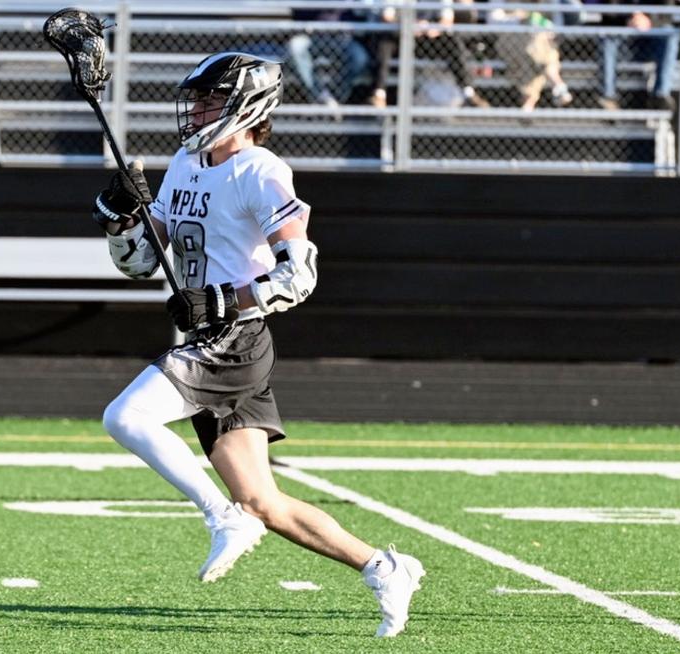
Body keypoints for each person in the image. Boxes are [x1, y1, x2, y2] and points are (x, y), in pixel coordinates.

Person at [91, 52, 424, 638]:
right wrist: (118, 221)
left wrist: (221, 301)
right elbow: (144, 263)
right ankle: (384, 567)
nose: (194, 110)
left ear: (247, 105)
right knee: (265, 502)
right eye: (193, 99)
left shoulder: (261, 171)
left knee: (126, 416)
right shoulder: (184, 163)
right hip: (211, 336)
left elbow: (300, 273)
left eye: (208, 100)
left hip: (234, 339)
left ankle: (221, 517)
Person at [370, 1, 490, 109]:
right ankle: (379, 94)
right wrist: (409, 25)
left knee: (453, 42)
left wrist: (432, 28)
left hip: (427, 41)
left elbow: (447, 20)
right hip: (401, 37)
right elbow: (387, 17)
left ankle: (468, 92)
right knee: (384, 43)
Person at [597, 0, 678, 111]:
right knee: (608, 38)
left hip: (649, 40)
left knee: (669, 33)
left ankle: (660, 94)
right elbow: (608, 12)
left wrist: (649, 20)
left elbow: (667, 13)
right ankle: (608, 97)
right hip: (621, 40)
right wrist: (629, 18)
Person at [490, 4, 573, 110]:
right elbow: (493, 21)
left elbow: (556, 25)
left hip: (540, 40)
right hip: (511, 38)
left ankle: (528, 103)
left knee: (535, 46)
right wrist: (519, 19)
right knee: (537, 50)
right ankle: (556, 83)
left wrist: (542, 24)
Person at [287, 5, 373, 106]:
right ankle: (320, 95)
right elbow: (297, 12)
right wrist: (320, 14)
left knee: (359, 57)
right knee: (296, 46)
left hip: (343, 39)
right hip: (313, 36)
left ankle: (335, 97)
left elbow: (359, 15)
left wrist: (340, 18)